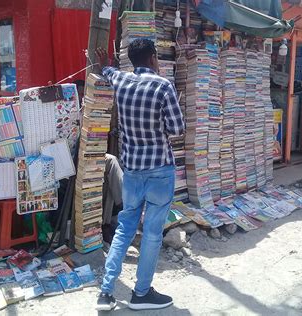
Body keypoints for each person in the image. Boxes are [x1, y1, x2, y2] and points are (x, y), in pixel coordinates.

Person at [95, 40, 185, 311]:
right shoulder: (163, 86)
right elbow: (177, 128)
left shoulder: (120, 80)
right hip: (159, 170)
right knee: (152, 234)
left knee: (125, 228)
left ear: (132, 61)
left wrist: (105, 65)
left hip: (132, 169)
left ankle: (106, 292)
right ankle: (142, 293)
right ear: (154, 58)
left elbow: (108, 72)